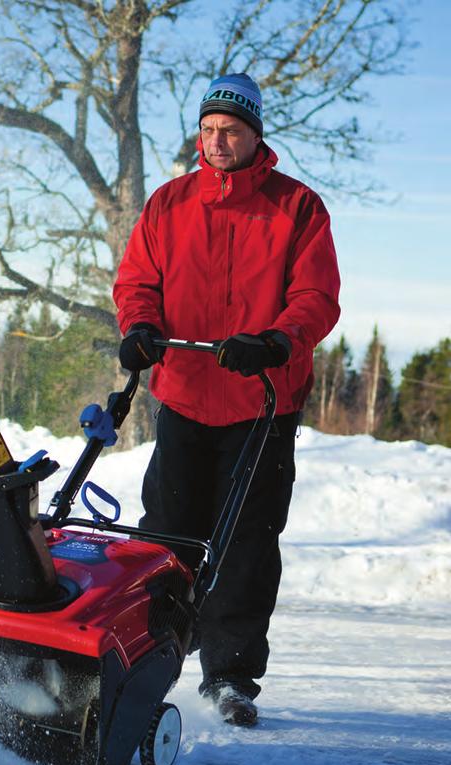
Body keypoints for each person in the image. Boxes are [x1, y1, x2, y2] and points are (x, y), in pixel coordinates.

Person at [112, 73, 341, 726]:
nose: (217, 141)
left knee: (245, 540)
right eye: (209, 130)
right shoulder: (169, 204)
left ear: (254, 134)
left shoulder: (297, 208)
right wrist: (140, 329)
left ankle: (229, 677)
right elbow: (138, 282)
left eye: (230, 131)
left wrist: (275, 340)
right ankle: (150, 658)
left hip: (264, 399)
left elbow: (316, 297)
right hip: (183, 393)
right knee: (168, 533)